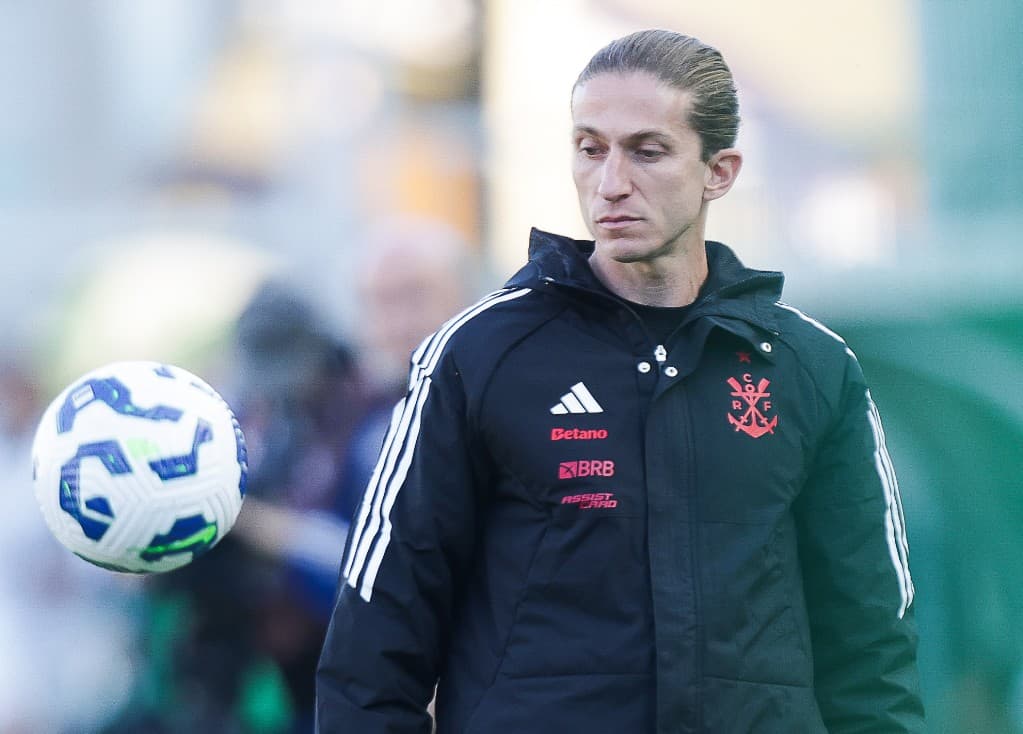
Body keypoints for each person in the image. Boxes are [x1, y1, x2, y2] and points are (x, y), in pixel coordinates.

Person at [316, 29, 925, 733]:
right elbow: (374, 641)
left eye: (646, 151)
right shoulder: (476, 356)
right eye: (589, 148)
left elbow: (871, 647)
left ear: (718, 172)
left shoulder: (810, 369)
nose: (609, 183)